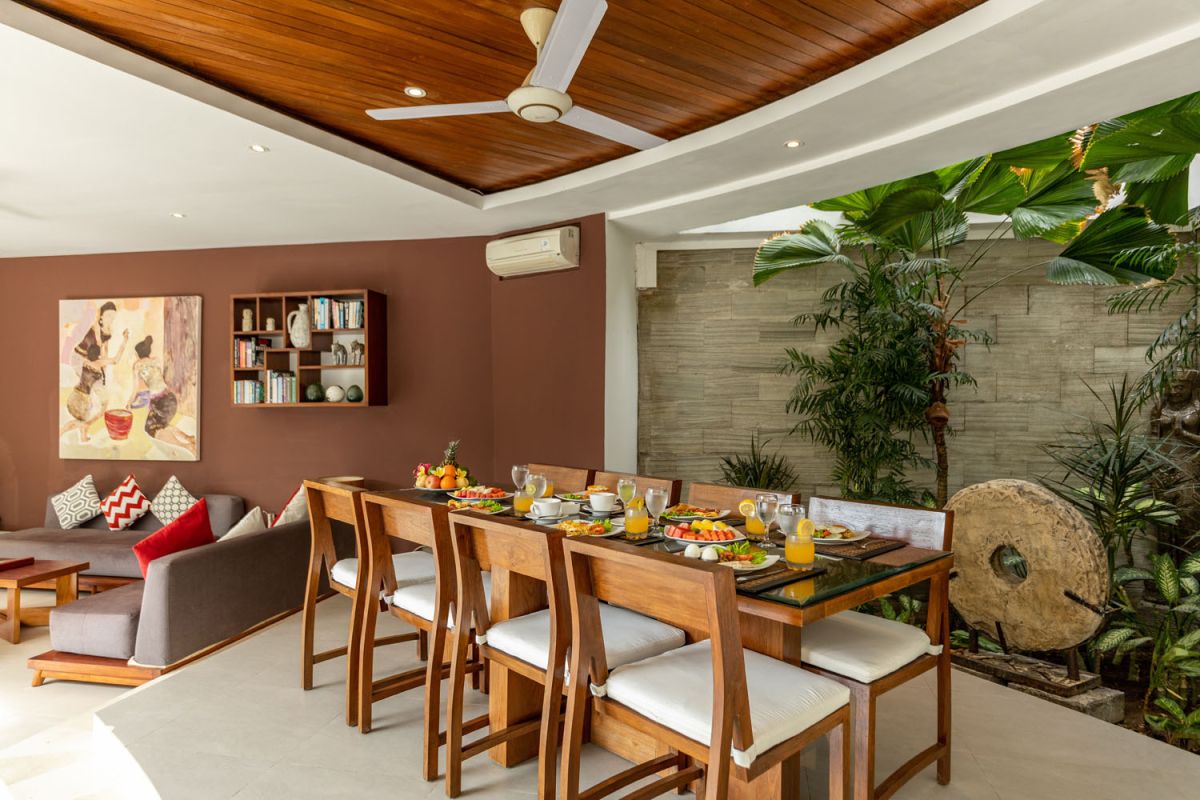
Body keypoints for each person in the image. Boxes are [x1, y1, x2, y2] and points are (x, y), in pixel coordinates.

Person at [60, 301, 127, 443]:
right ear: (101, 317)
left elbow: (105, 352)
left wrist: (105, 371)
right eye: (108, 316)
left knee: (99, 402)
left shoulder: (107, 332)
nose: (111, 319)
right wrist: (105, 362)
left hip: (91, 364)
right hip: (80, 358)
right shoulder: (97, 328)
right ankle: (80, 427)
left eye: (113, 317)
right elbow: (102, 351)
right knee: (91, 397)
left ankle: (83, 430)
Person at [126, 335, 196, 454]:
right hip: (170, 398)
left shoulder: (137, 365)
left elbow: (135, 389)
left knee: (151, 428)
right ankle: (188, 438)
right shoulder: (156, 360)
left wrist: (128, 403)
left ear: (137, 354)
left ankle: (186, 446)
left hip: (160, 402)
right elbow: (157, 380)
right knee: (161, 424)